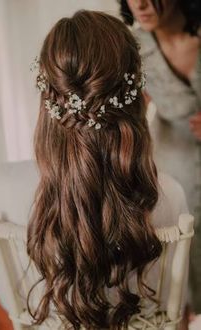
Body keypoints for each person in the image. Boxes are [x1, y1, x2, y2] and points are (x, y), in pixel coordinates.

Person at [25, 10, 189, 329]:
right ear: (137, 99)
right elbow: (172, 306)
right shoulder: (168, 193)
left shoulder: (5, 186)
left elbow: (10, 300)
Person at [118, 0, 201, 316]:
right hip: (173, 171)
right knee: (179, 262)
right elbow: (127, 114)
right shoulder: (133, 48)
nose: (139, 3)